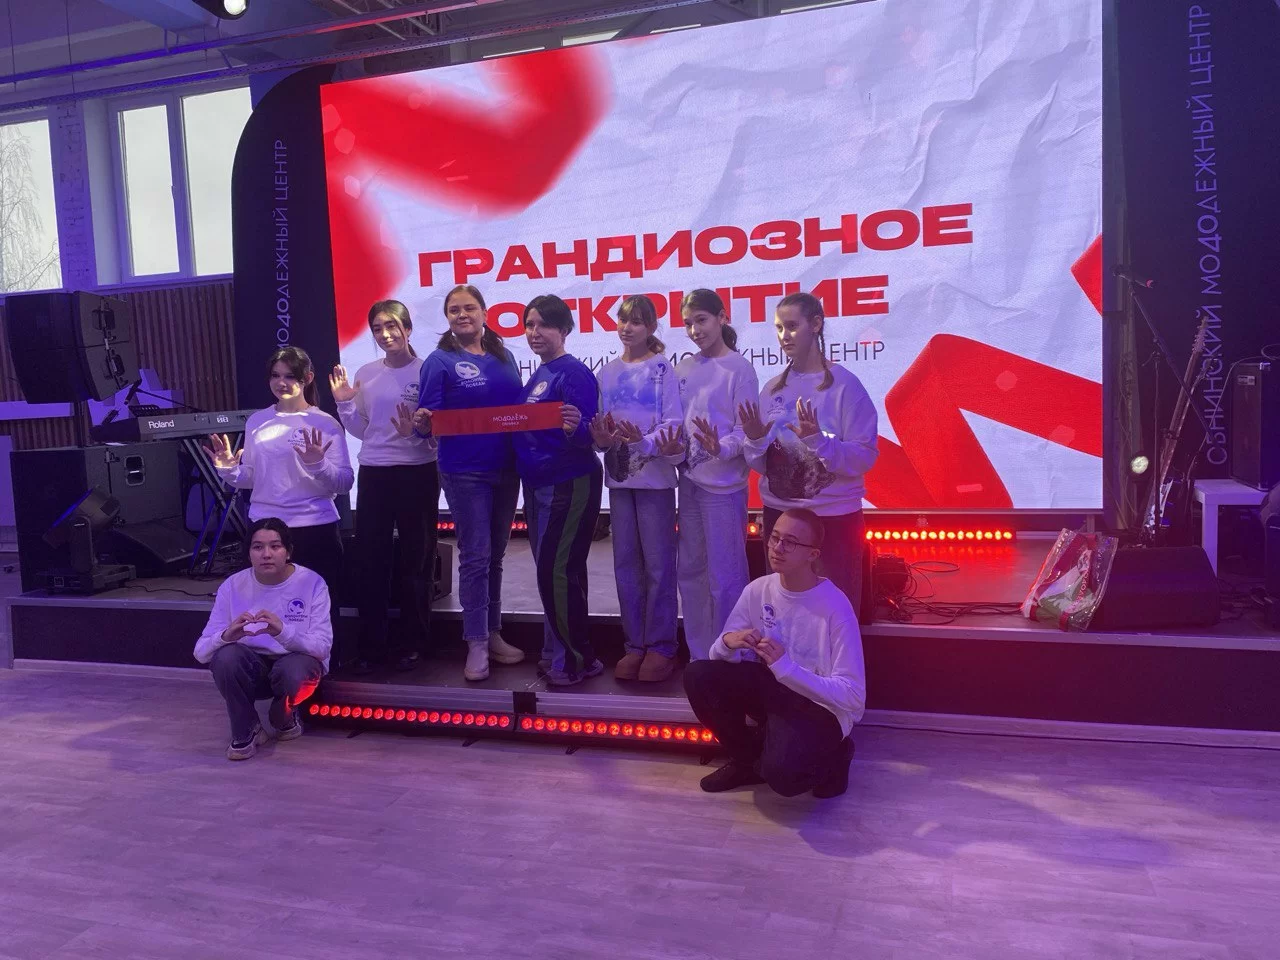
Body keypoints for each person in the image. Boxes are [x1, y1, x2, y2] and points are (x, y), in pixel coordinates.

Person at [683, 508, 865, 798]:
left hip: (821, 707)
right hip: (775, 689)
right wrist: (728, 643)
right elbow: (718, 658)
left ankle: (837, 756)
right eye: (774, 537)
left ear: (813, 555)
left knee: (784, 779)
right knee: (699, 675)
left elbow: (854, 698)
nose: (777, 548)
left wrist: (786, 668)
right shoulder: (758, 590)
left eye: (790, 542)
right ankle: (747, 761)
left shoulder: (835, 606)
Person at [739, 292, 878, 615]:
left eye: (791, 326)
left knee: (836, 613)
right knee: (781, 613)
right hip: (780, 515)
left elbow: (864, 456)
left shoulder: (845, 386)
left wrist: (818, 441)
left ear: (816, 324)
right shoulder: (772, 389)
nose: (784, 336)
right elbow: (764, 466)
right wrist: (756, 439)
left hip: (833, 519)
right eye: (778, 328)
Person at [414, 284, 526, 681]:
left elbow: (518, 409)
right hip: (465, 471)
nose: (462, 315)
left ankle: (493, 633)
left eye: (469, 308)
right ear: (447, 318)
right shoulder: (439, 361)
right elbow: (427, 421)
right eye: (454, 310)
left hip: (507, 468)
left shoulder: (504, 355)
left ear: (484, 313)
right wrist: (421, 423)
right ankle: (475, 642)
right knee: (476, 556)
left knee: (495, 556)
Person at [331, 300, 439, 674]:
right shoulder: (367, 373)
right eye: (377, 328)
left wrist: (419, 432)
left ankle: (414, 643)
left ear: (408, 329)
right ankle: (372, 645)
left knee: (417, 559)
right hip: (375, 472)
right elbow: (365, 431)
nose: (385, 334)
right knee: (371, 559)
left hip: (418, 472)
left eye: (392, 326)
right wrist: (344, 406)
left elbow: (437, 429)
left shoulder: (428, 371)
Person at [205, 346, 354, 599]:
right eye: (275, 375)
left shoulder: (325, 423)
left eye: (290, 376)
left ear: (307, 378)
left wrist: (318, 464)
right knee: (263, 607)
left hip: (314, 528)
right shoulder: (257, 421)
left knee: (318, 608)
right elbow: (251, 478)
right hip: (265, 528)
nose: (281, 383)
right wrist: (229, 470)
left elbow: (344, 482)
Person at [591, 294, 684, 683]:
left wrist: (643, 442)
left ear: (651, 327)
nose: (626, 328)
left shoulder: (663, 368)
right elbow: (601, 431)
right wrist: (600, 439)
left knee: (659, 566)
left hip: (655, 481)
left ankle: (661, 646)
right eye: (622, 320)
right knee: (626, 564)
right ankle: (634, 644)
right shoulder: (607, 372)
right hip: (619, 480)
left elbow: (673, 423)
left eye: (636, 321)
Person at [513, 295, 604, 686]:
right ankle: (567, 653)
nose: (535, 332)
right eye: (529, 324)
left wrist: (575, 429)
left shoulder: (574, 374)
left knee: (557, 572)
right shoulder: (540, 374)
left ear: (564, 329)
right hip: (538, 486)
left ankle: (574, 660)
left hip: (569, 482)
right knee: (557, 572)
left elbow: (589, 433)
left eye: (544, 325)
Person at [194, 518, 332, 761]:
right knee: (226, 657)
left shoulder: (312, 582)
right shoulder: (232, 586)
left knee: (294, 670)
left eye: (275, 546)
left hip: (295, 664)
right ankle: (247, 729)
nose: (266, 554)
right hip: (253, 667)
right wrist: (226, 636)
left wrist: (282, 631)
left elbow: (322, 648)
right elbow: (201, 653)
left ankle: (283, 717)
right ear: (248, 553)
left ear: (288, 551)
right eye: (258, 547)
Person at [676, 289, 760, 660]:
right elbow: (676, 425)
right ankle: (701, 656)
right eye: (688, 323)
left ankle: (734, 656)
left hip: (724, 489)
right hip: (689, 484)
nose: (695, 330)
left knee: (726, 576)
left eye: (702, 320)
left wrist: (719, 448)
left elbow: (745, 431)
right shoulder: (683, 369)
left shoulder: (740, 369)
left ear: (722, 317)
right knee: (691, 572)